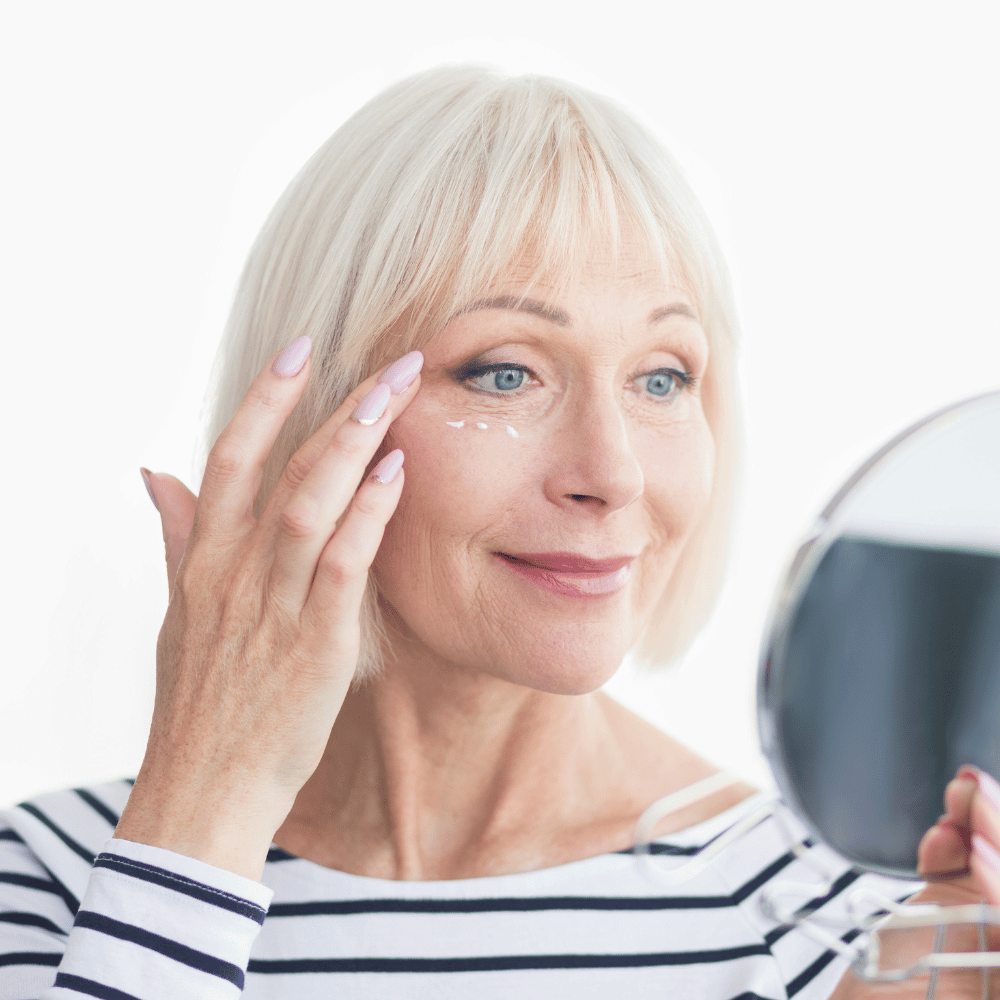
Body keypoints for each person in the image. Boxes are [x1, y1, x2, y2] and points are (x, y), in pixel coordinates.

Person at [1, 64, 998, 1000]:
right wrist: (201, 814)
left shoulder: (853, 934)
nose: (611, 474)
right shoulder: (53, 879)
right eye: (504, 372)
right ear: (314, 414)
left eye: (662, 377)